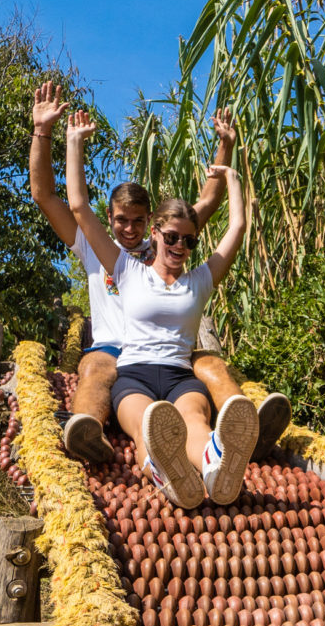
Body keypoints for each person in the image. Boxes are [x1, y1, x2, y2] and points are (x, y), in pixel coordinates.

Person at [27, 82, 291, 463]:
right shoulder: (99, 250)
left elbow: (206, 202)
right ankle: (86, 429)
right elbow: (47, 196)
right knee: (98, 367)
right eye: (120, 221)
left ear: (152, 223)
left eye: (137, 221)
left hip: (169, 353)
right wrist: (44, 131)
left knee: (212, 364)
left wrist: (225, 147)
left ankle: (247, 425)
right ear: (109, 220)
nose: (128, 230)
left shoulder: (168, 247)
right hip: (117, 351)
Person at [63, 107, 255, 507]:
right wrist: (74, 143)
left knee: (195, 421)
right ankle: (165, 471)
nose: (180, 247)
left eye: (189, 241)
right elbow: (80, 208)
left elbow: (236, 227)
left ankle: (213, 465)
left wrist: (232, 174)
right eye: (172, 238)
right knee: (148, 427)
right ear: (156, 234)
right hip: (133, 374)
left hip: (179, 374)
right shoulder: (127, 268)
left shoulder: (200, 279)